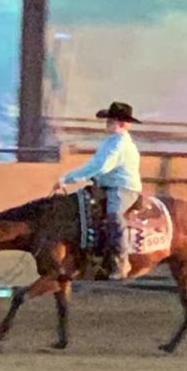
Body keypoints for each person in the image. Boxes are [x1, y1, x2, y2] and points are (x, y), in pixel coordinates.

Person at [52, 101, 143, 280]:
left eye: (112, 120)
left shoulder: (119, 145)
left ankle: (121, 262)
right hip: (106, 185)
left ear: (123, 124)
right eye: (108, 120)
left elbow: (100, 166)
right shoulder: (111, 142)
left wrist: (68, 178)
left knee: (114, 217)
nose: (108, 123)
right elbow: (96, 166)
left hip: (123, 188)